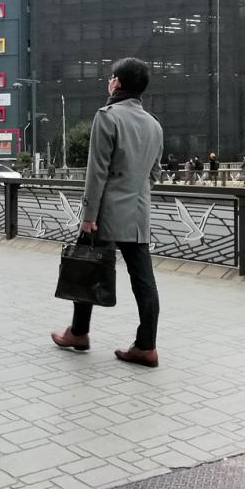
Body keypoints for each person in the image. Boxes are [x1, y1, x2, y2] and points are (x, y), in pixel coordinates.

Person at [51, 57, 163, 368]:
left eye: (111, 77)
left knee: (84, 268)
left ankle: (79, 332)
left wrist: (88, 215)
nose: (109, 81)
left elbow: (96, 171)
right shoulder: (154, 124)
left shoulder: (107, 117)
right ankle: (146, 346)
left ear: (118, 83)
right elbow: (154, 173)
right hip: (138, 214)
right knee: (144, 281)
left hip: (105, 213)